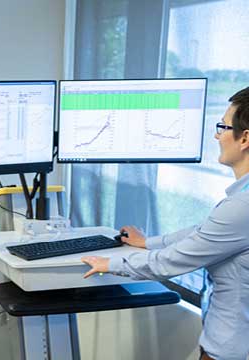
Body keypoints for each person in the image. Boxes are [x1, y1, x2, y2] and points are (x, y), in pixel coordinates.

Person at [81, 86, 249, 360]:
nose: (217, 135)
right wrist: (146, 242)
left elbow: (169, 263)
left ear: (244, 139)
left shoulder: (242, 207)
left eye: (223, 127)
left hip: (229, 351)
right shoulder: (241, 200)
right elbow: (203, 232)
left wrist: (109, 264)